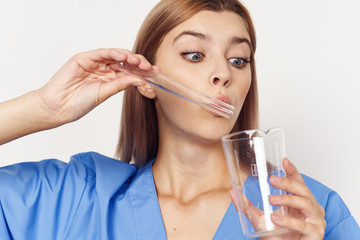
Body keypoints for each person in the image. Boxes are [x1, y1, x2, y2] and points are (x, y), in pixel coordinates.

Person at [0, 0, 359, 239]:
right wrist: (43, 108)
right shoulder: (73, 195)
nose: (222, 73)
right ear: (146, 81)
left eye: (238, 60)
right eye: (194, 54)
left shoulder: (307, 212)